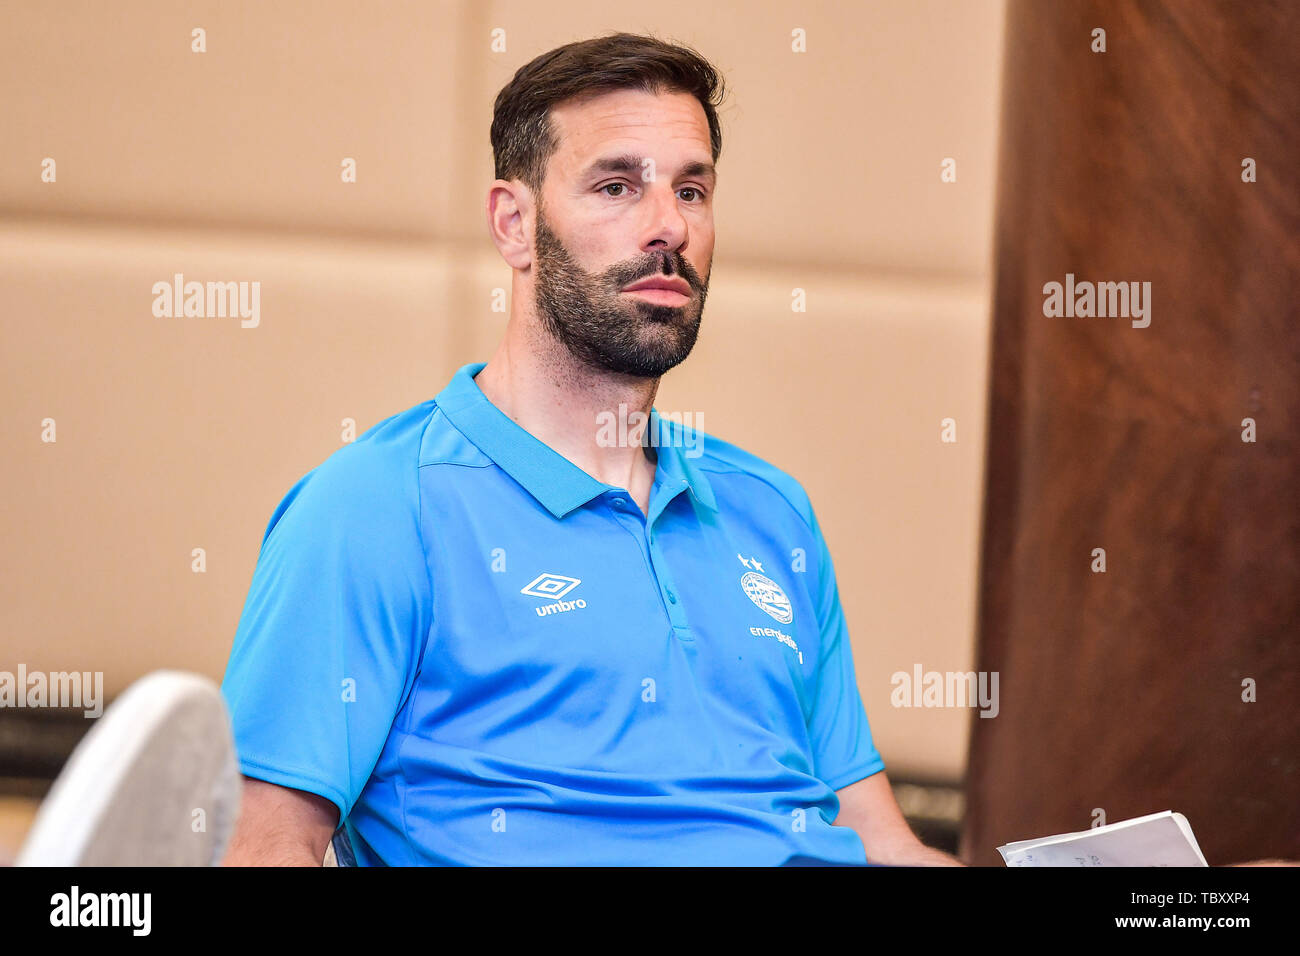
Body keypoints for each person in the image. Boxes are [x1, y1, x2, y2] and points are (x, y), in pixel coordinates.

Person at [220, 32, 961, 866]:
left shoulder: (771, 508)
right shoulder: (375, 507)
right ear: (515, 223)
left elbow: (878, 839)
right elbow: (267, 846)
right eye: (617, 185)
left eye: (692, 189)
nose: (668, 227)